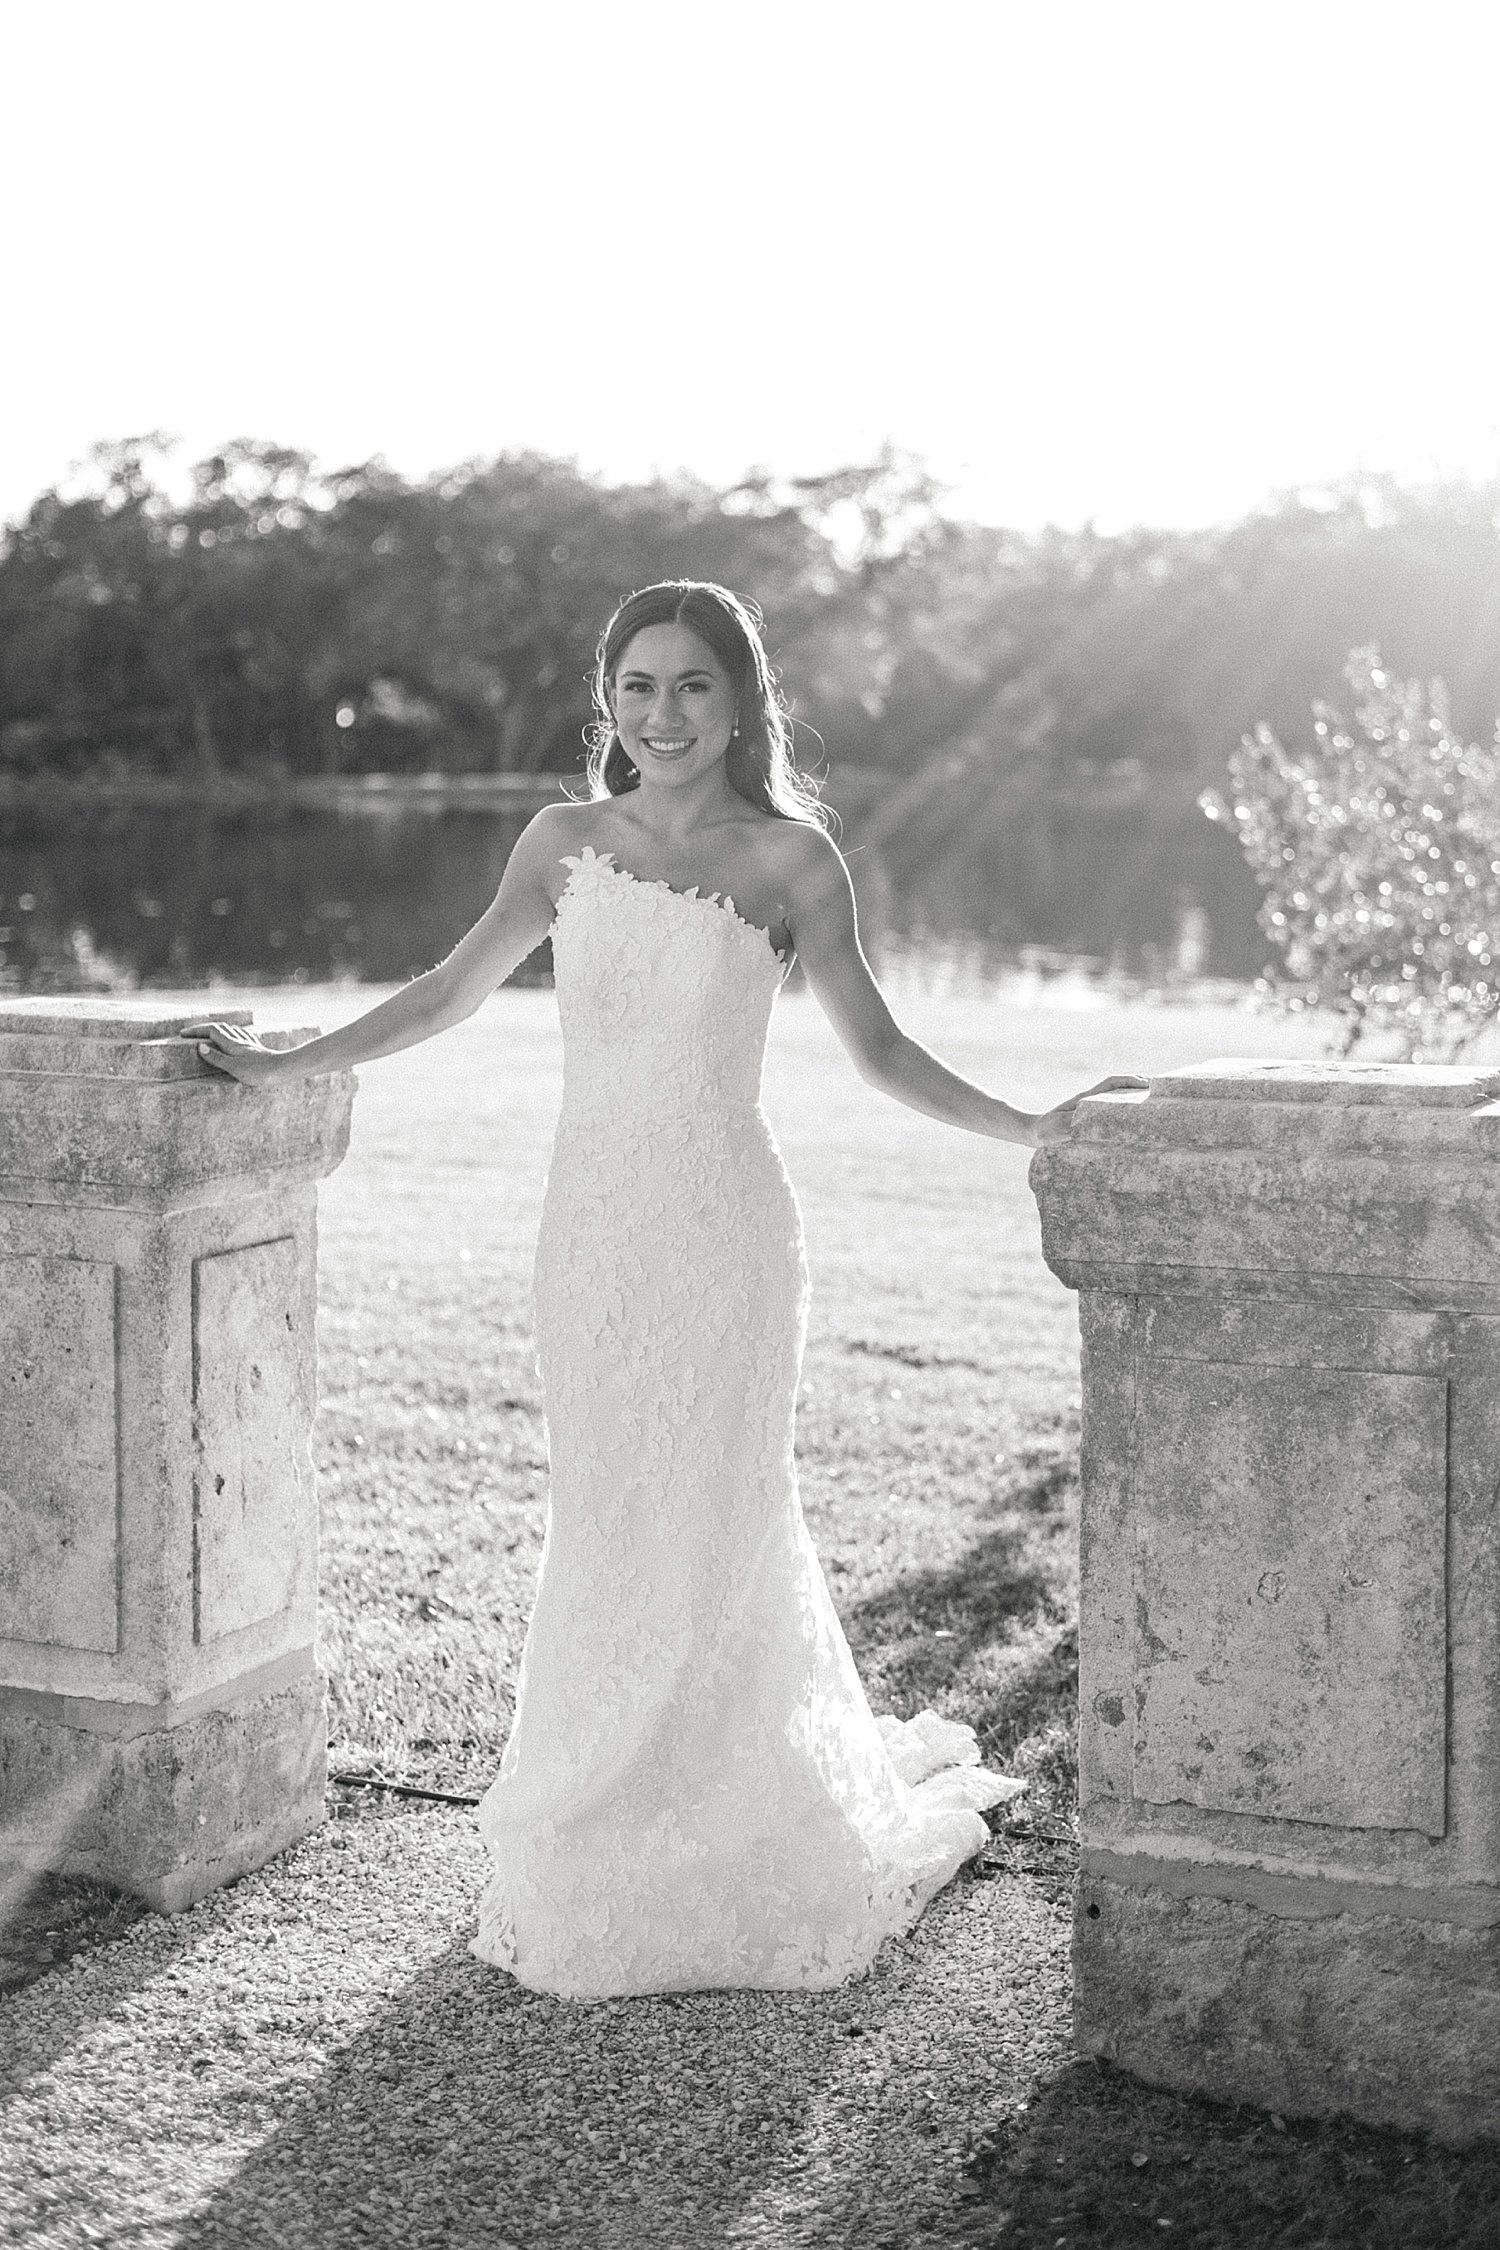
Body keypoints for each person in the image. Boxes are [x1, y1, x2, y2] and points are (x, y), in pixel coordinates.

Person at [184, 579, 1144, 1999]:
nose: (663, 714)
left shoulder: (794, 859)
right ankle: (604, 1802)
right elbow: (452, 991)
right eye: (638, 685)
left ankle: (740, 1815)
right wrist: (284, 1064)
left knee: (720, 1511)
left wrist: (1033, 1128)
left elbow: (878, 1050)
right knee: (614, 1504)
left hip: (729, 1234)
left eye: (694, 685)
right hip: (595, 1233)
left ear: (742, 700)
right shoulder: (564, 843)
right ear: (607, 699)